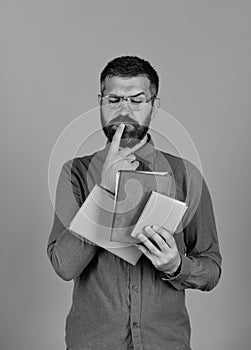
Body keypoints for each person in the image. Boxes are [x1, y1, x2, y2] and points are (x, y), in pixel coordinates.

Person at [47, 56, 222, 350]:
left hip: (166, 343)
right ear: (100, 102)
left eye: (137, 100)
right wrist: (102, 192)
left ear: (154, 105)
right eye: (114, 99)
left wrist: (176, 265)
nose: (124, 111)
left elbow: (212, 269)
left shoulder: (186, 176)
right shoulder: (75, 173)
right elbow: (64, 266)